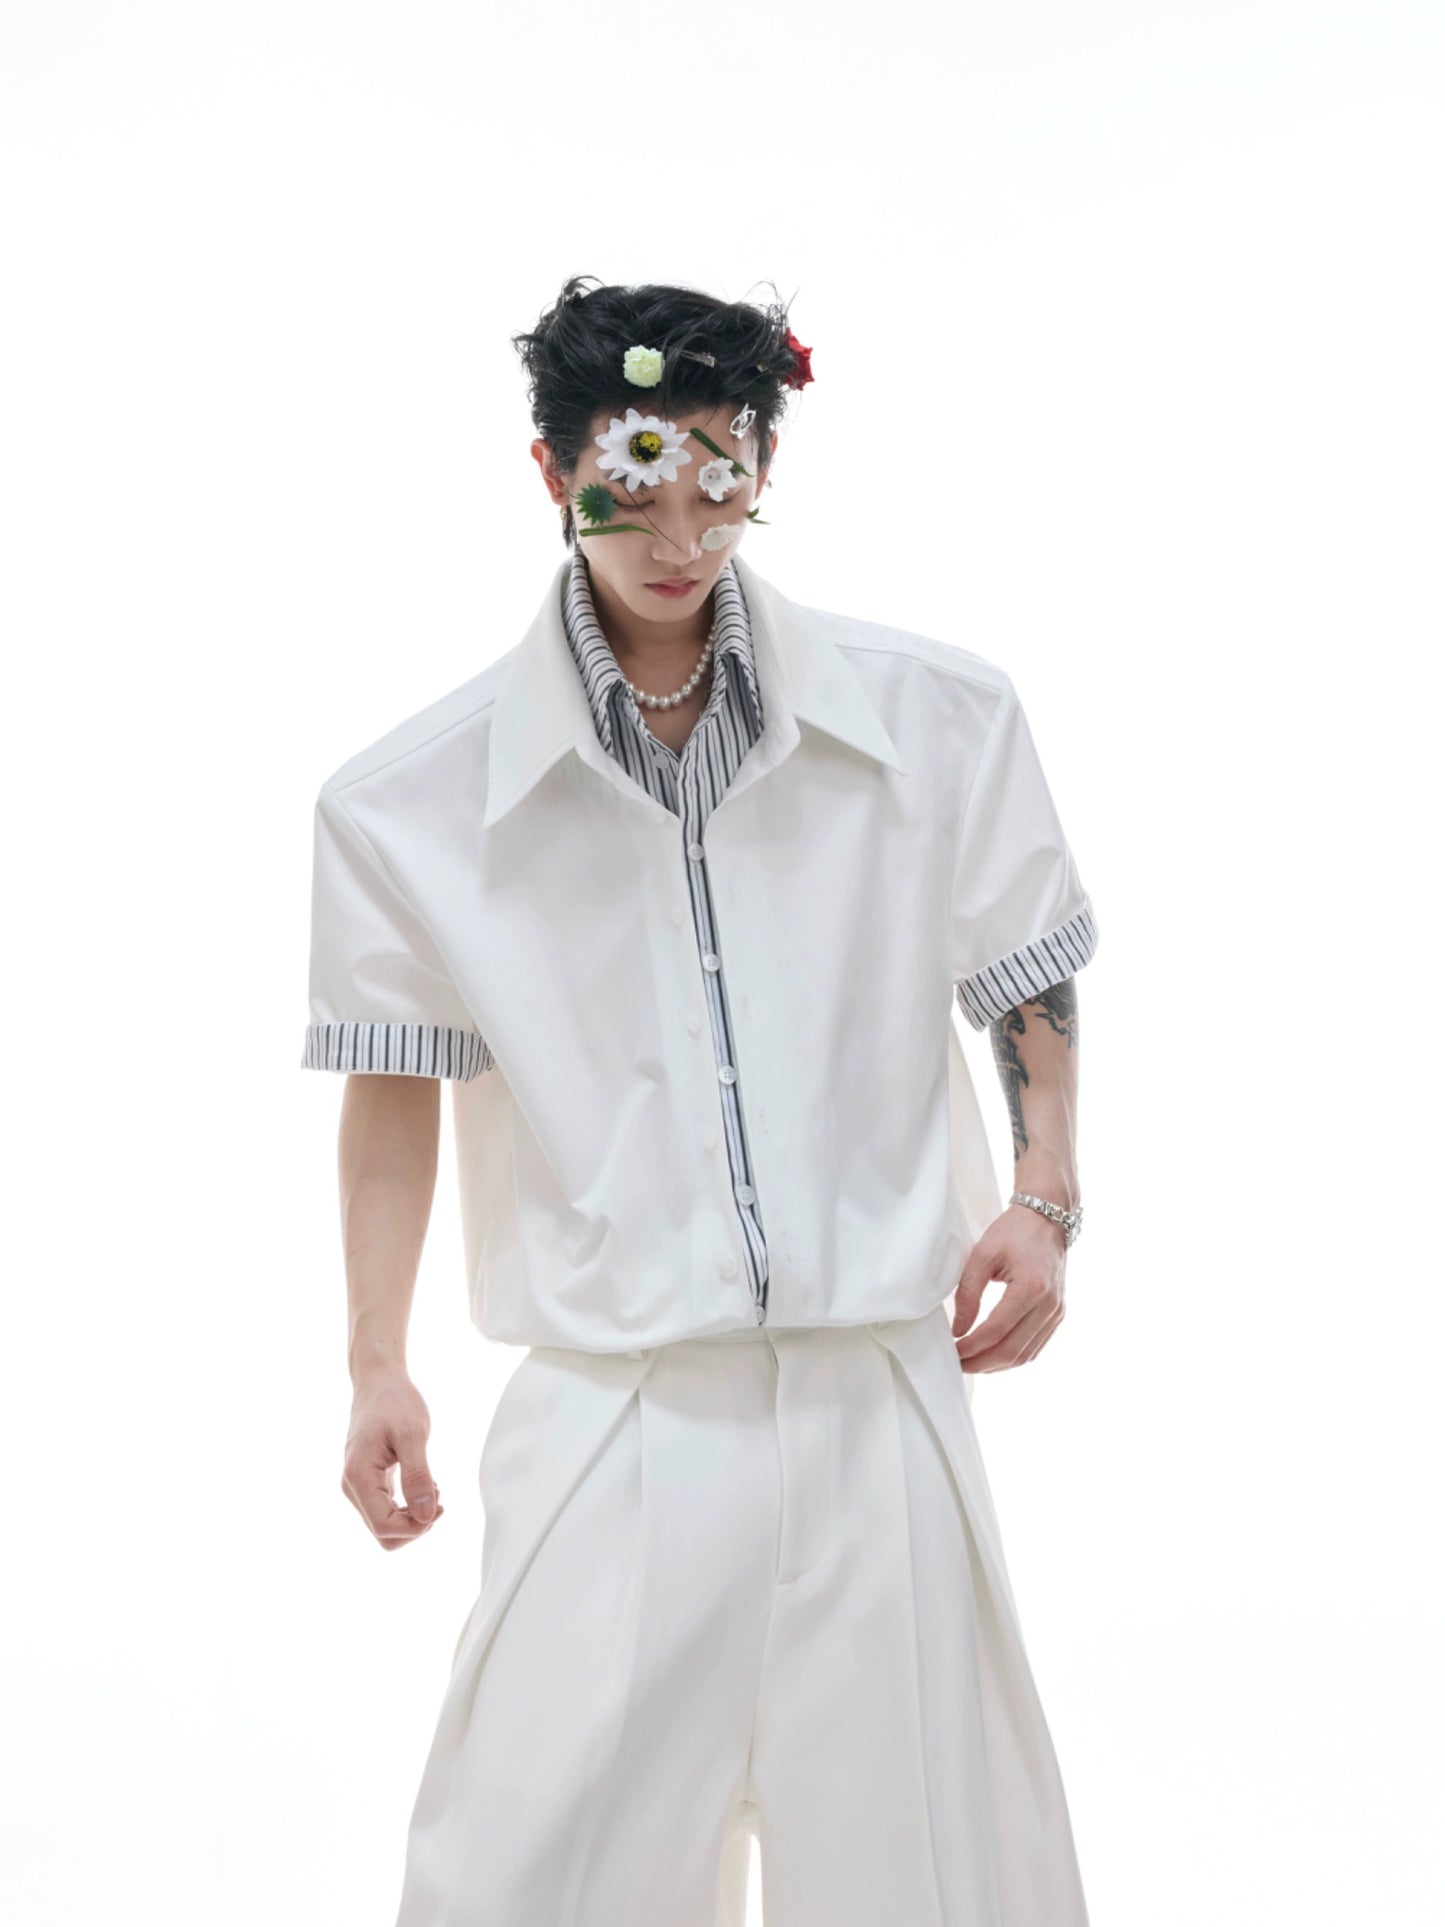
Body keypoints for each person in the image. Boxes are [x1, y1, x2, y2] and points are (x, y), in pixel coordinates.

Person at [301, 274, 1100, 1926]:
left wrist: (1043, 1195)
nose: (678, 535)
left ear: (764, 464)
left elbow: (1017, 961)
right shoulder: (408, 806)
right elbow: (394, 1085)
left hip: (880, 1400)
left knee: (928, 1880)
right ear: (551, 473)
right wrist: (376, 1360)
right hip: (611, 1410)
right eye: (633, 486)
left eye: (719, 481)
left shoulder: (939, 719)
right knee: (531, 1877)